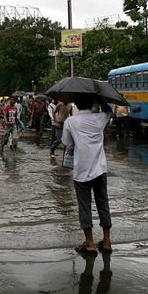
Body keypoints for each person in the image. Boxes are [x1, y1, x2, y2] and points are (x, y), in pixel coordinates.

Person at [61, 93, 113, 255]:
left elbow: (67, 143)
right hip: (99, 169)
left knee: (85, 206)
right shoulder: (100, 118)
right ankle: (106, 241)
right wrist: (100, 98)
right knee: (103, 203)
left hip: (81, 171)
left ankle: (89, 243)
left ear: (76, 103)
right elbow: (108, 111)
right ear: (92, 103)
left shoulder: (71, 121)